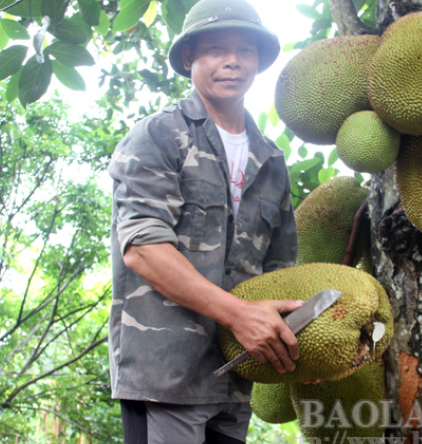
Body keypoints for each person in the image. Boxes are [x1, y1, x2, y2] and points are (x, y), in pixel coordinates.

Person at [106, 0, 299, 443]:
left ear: (258, 61)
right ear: (190, 57)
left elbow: (281, 273)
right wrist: (239, 317)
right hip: (166, 375)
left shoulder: (270, 161)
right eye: (216, 48)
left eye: (245, 50)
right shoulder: (158, 135)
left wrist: (296, 347)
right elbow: (143, 249)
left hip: (236, 381)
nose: (232, 60)